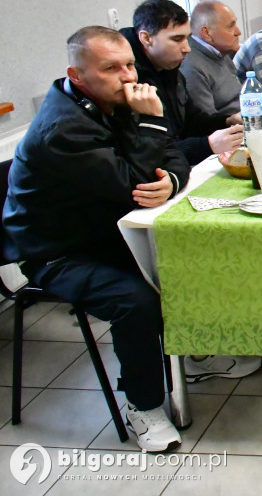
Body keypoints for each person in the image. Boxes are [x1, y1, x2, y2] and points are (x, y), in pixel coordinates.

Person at [2, 26, 191, 452]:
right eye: (111, 68)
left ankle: (189, 356)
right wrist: (154, 125)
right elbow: (131, 182)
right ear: (78, 75)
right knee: (136, 300)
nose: (127, 76)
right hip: (54, 251)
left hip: (103, 228)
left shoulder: (114, 100)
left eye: (129, 64)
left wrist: (172, 180)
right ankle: (143, 406)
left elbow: (171, 154)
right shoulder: (63, 127)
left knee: (186, 264)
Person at [119, 0, 242, 166]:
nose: (187, 48)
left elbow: (190, 121)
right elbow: (154, 153)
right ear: (146, 38)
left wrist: (227, 121)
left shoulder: (169, 67)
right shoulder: (129, 83)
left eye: (187, 38)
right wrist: (207, 145)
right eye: (177, 39)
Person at [179, 0, 243, 123]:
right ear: (207, 33)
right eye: (230, 27)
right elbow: (209, 123)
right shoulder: (192, 67)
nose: (238, 32)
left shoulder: (222, 50)